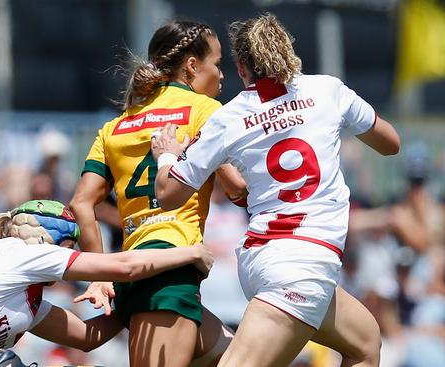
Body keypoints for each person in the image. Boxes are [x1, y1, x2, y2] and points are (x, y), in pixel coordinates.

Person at [151, 14, 401, 367]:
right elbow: (391, 144)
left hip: (264, 258)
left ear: (241, 68)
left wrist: (166, 157)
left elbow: (169, 194)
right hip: (302, 264)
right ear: (288, 52)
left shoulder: (228, 116)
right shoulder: (328, 90)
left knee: (365, 342)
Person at [69, 19, 245, 367]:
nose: (222, 75)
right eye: (218, 63)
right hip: (170, 273)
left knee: (237, 358)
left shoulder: (114, 126)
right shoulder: (204, 110)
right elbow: (238, 190)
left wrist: (99, 275)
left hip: (136, 268)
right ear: (192, 66)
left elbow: (81, 203)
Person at [0, 199, 213, 367]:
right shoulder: (19, 254)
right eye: (71, 246)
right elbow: (123, 266)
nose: (74, 254)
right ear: (49, 238)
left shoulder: (29, 306)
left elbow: (90, 338)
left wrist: (131, 299)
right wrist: (189, 253)